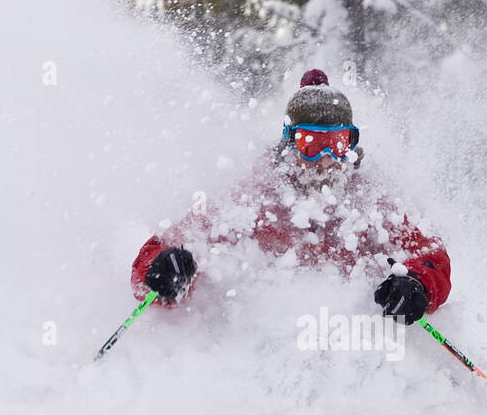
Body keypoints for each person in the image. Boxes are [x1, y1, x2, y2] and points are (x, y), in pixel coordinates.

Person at [130, 69, 451, 325]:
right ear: (289, 144)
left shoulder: (371, 202)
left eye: (336, 144)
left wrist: (418, 285)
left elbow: (432, 257)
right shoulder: (254, 198)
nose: (326, 159)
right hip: (262, 343)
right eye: (311, 144)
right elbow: (160, 251)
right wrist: (162, 271)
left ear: (351, 146)